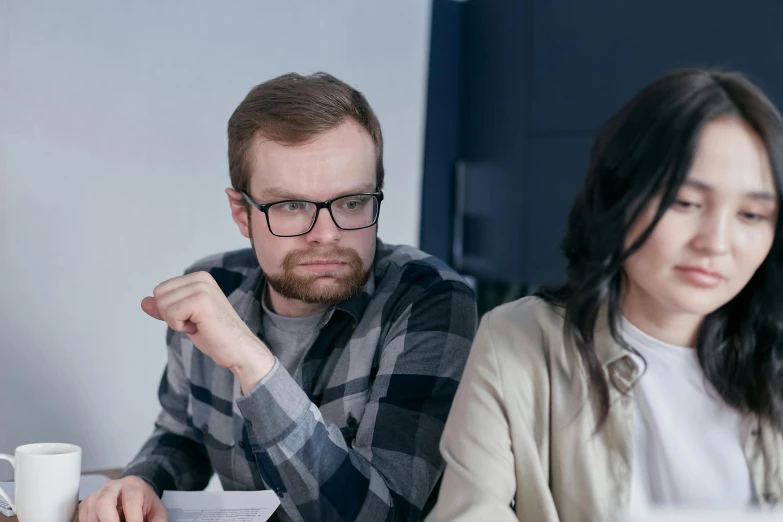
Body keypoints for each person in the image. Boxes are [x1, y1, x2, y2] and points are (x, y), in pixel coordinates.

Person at [79, 72, 477, 522]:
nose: (326, 235)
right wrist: (142, 482)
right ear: (241, 214)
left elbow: (379, 515)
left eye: (351, 203)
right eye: (291, 206)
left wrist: (252, 362)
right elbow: (184, 435)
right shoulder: (213, 285)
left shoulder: (429, 299)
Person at [427, 69, 783, 522]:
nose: (716, 242)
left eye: (752, 214)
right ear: (620, 197)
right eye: (686, 203)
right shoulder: (520, 340)